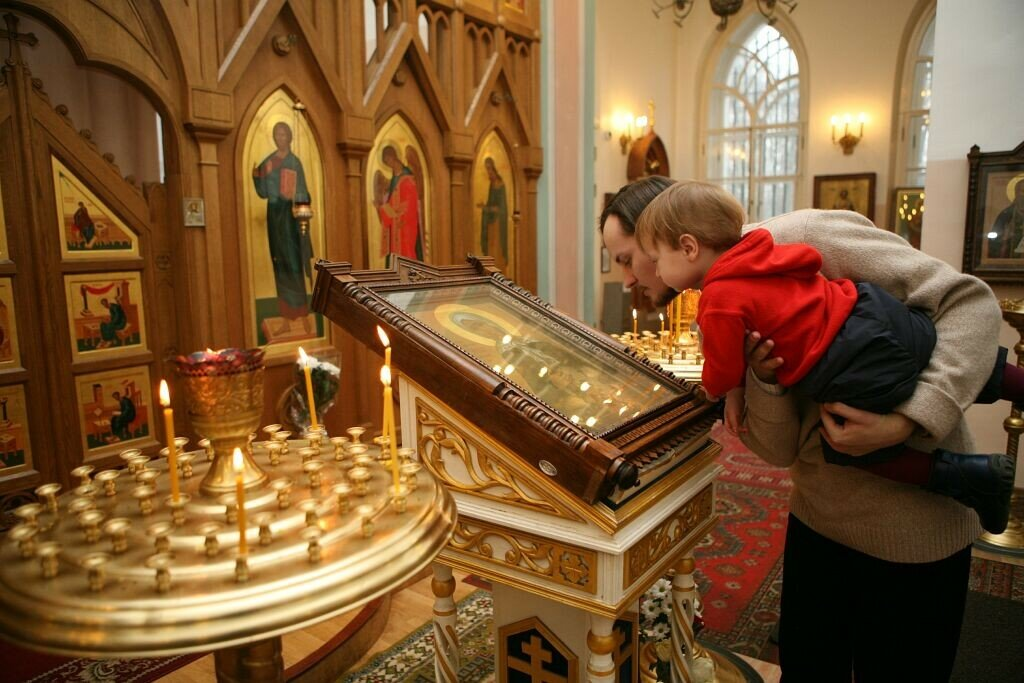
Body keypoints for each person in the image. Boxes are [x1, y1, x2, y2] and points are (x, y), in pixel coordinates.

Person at [599, 176, 1006, 681]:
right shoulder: (717, 307)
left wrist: (906, 420)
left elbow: (969, 302)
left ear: (671, 240)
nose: (626, 281)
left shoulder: (805, 235)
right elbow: (778, 451)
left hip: (916, 532)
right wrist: (764, 381)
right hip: (819, 526)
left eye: (626, 260)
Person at [634, 180, 1016, 533]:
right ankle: (1014, 381)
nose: (654, 272)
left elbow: (721, 371)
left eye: (654, 259)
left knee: (842, 441)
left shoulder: (718, 299)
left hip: (848, 364)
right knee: (929, 341)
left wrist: (719, 390)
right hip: (869, 311)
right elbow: (807, 264)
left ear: (689, 247)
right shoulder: (762, 248)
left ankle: (967, 475)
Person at [252, 121, 314, 335]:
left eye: (283, 134)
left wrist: (296, 196)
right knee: (279, 265)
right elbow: (263, 191)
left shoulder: (294, 162)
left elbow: (304, 192)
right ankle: (286, 318)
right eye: (277, 134)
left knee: (294, 265)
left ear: (289, 137)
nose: (280, 138)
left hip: (291, 220)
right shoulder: (269, 161)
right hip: (274, 218)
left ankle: (303, 315)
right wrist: (258, 176)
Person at [375, 145, 423, 264]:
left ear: (394, 156)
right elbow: (391, 201)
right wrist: (382, 208)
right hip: (396, 227)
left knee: (407, 253)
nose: (389, 164)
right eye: (386, 163)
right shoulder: (394, 179)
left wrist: (394, 212)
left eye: (388, 160)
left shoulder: (407, 178)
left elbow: (410, 203)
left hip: (406, 225)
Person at [479, 157, 509, 268]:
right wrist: (485, 207)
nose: (488, 172)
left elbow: (500, 208)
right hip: (491, 222)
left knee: (496, 247)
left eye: (489, 169)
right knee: (490, 247)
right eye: (486, 169)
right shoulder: (491, 184)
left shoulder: (500, 184)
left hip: (497, 223)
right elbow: (490, 203)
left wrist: (487, 208)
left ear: (493, 168)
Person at [990, 178, 1024, 259]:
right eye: (1022, 191)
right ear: (1016, 193)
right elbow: (995, 242)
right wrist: (1006, 238)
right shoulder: (1005, 215)